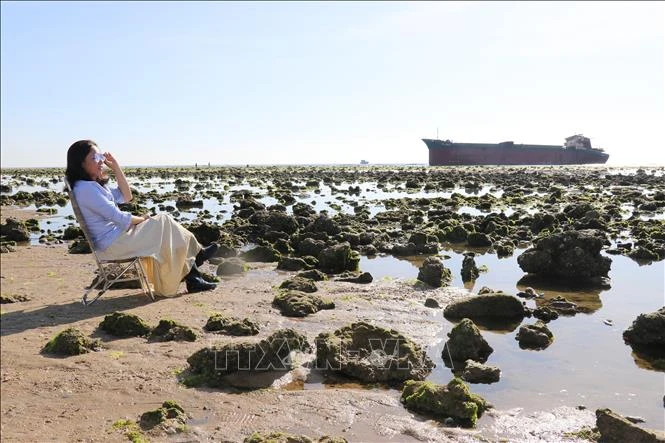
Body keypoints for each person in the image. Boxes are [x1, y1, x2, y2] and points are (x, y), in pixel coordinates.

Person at [65, 140, 219, 295]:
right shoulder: (86, 189)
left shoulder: (93, 186)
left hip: (119, 237)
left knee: (165, 224)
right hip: (113, 245)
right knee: (164, 222)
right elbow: (118, 217)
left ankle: (195, 272)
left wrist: (116, 167)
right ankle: (196, 261)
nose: (100, 162)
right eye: (94, 158)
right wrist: (143, 219)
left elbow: (126, 195)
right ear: (81, 164)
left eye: (100, 156)